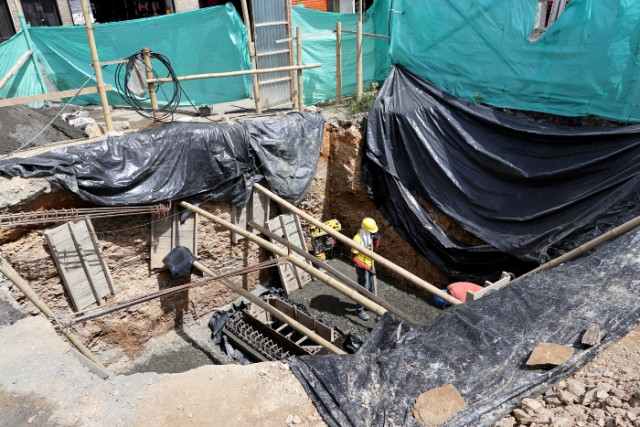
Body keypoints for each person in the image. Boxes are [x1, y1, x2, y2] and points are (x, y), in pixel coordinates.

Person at [351, 217, 380, 320]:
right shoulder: (357, 239)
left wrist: (376, 240)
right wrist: (367, 268)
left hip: (370, 264)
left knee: (372, 287)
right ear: (365, 230)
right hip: (362, 266)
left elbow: (375, 247)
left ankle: (369, 304)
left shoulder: (370, 236)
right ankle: (359, 309)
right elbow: (354, 258)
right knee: (363, 288)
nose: (372, 234)